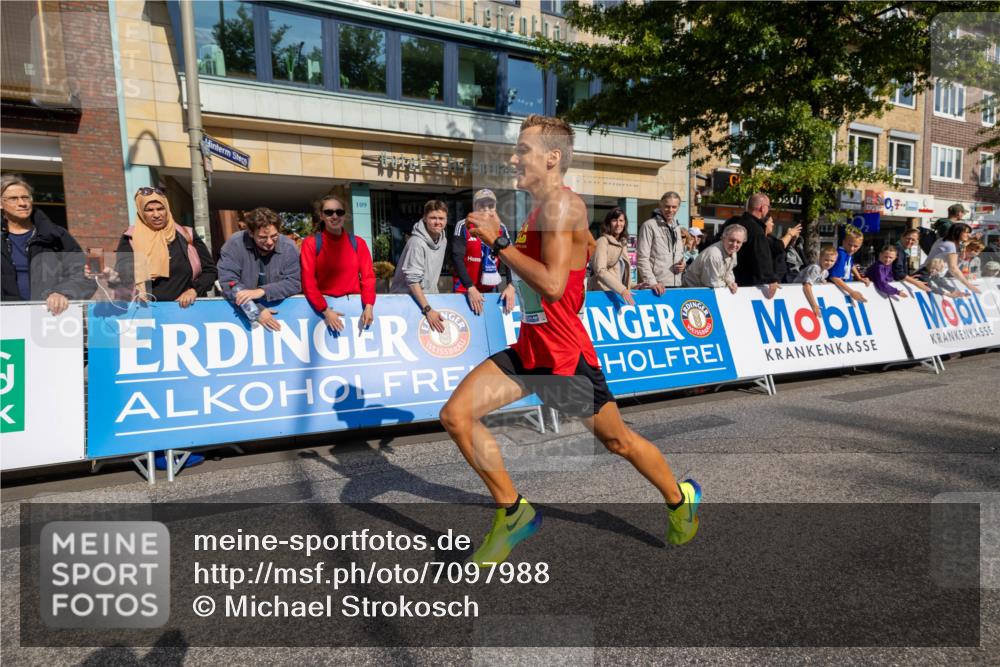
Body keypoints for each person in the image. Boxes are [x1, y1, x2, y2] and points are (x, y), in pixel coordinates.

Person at [439, 115, 701, 567]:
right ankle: (513, 511)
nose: (513, 158)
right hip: (531, 349)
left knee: (618, 442)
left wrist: (499, 242)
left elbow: (555, 286)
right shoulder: (539, 211)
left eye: (523, 150)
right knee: (457, 416)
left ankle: (680, 498)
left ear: (552, 157)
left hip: (564, 356)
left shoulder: (564, 206)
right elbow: (533, 278)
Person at [1, 174, 93, 313]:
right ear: (1, 204)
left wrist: (62, 292)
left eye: (26, 197)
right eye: (14, 198)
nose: (22, 203)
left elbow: (84, 275)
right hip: (7, 321)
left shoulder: (56, 235)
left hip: (49, 318)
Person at [113, 187, 217, 306]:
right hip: (147, 313)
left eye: (160, 209)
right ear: (141, 212)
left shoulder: (186, 234)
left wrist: (194, 291)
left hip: (187, 311)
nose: (156, 214)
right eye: (149, 210)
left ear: (167, 209)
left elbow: (210, 271)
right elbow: (122, 278)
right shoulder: (130, 238)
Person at [217, 206, 301, 332]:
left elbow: (295, 283)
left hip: (282, 314)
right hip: (244, 315)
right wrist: (257, 310)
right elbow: (229, 283)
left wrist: (262, 291)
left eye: (274, 236)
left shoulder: (289, 247)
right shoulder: (234, 244)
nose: (269, 242)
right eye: (263, 237)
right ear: (250, 233)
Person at [300, 194, 375, 334]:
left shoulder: (358, 243)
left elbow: (368, 277)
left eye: (339, 212)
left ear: (344, 215)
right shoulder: (310, 243)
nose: (334, 216)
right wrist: (325, 310)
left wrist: (369, 306)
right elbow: (308, 282)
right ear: (321, 216)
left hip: (356, 308)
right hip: (324, 311)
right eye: (329, 212)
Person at [452, 189, 516, 315]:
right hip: (465, 290)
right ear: (475, 206)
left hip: (490, 291)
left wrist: (511, 285)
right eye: (482, 205)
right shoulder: (463, 225)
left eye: (491, 206)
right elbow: (456, 258)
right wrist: (470, 287)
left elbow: (510, 259)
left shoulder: (501, 228)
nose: (486, 209)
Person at [390, 200, 449, 333]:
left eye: (441, 218)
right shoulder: (416, 242)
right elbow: (412, 281)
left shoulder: (443, 240)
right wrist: (427, 309)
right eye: (433, 218)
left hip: (426, 300)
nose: (437, 222)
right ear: (424, 218)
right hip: (406, 302)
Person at [720, 193, 780, 298]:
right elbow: (761, 256)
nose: (768, 210)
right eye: (768, 207)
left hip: (730, 278)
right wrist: (771, 279)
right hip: (747, 284)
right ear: (762, 208)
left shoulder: (738, 223)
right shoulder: (756, 230)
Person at [636, 191, 686, 294]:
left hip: (676, 284)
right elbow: (642, 258)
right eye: (667, 206)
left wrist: (683, 265)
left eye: (674, 207)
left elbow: (678, 254)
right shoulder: (649, 226)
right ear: (660, 205)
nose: (670, 210)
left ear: (678, 207)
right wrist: (652, 282)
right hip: (656, 286)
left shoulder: (676, 227)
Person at [588, 207, 635, 304]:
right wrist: (622, 290)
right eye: (614, 220)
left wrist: (634, 286)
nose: (618, 224)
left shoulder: (622, 244)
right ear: (609, 223)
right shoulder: (602, 241)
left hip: (616, 295)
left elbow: (618, 274)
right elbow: (600, 271)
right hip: (602, 295)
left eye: (621, 220)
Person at [682, 224, 745, 293]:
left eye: (738, 242)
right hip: (690, 292)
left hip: (703, 291)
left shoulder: (732, 252)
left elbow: (728, 272)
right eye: (731, 240)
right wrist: (728, 286)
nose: (734, 245)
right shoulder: (714, 255)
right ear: (723, 238)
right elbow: (712, 283)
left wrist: (731, 283)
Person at [920, 223, 980, 295]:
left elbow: (958, 262)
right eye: (966, 232)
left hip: (933, 276)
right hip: (927, 275)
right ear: (958, 232)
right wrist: (969, 285)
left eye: (969, 233)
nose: (969, 235)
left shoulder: (944, 241)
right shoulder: (950, 245)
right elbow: (953, 268)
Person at [827, 229, 870, 304]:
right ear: (843, 242)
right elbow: (834, 277)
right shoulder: (841, 254)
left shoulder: (847, 254)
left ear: (860, 246)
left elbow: (851, 265)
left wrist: (859, 277)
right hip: (835, 290)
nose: (852, 248)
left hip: (842, 288)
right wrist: (852, 292)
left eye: (855, 246)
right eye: (850, 245)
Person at [794, 246, 839, 315]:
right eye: (826, 260)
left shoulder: (825, 272)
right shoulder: (815, 268)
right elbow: (806, 286)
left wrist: (822, 281)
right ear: (820, 258)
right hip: (796, 292)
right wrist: (814, 305)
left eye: (832, 261)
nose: (829, 263)